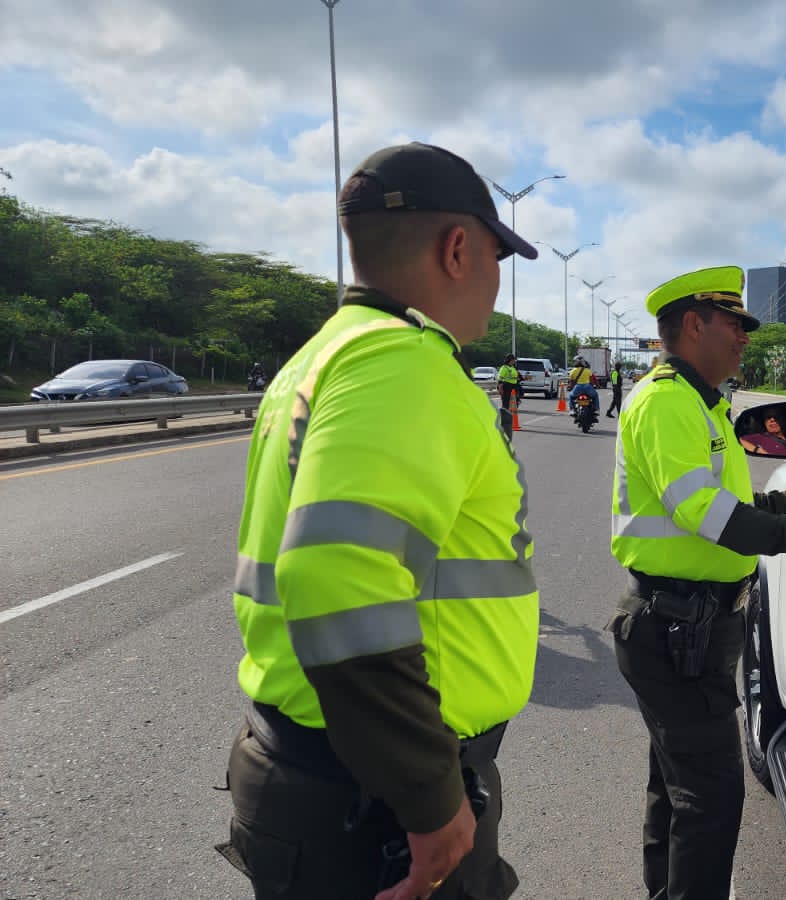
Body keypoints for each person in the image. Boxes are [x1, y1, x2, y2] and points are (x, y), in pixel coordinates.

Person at [217, 142, 543, 900]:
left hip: (325, 774)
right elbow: (337, 573)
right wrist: (429, 797)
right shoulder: (404, 364)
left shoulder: (320, 358)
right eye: (499, 256)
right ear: (460, 249)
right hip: (379, 806)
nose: (497, 284)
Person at [608, 265, 786, 900]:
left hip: (682, 626)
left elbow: (712, 499)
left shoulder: (697, 401)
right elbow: (707, 514)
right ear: (694, 325)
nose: (745, 337)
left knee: (677, 789)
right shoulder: (668, 401)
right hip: (676, 628)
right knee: (710, 801)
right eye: (735, 325)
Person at [496, 354, 519, 436]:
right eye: (513, 360)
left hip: (513, 387)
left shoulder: (513, 368)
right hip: (506, 387)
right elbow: (500, 378)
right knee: (505, 405)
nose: (514, 361)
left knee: (513, 405)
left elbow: (516, 377)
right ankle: (503, 422)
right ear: (509, 360)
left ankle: (509, 421)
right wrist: (500, 387)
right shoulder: (504, 368)